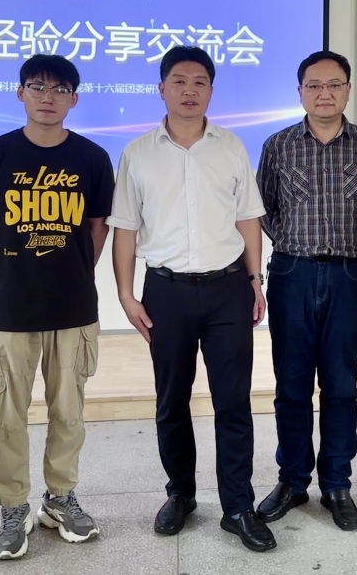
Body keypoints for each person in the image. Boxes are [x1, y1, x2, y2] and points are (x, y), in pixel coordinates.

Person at [108, 46, 276, 553]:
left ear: (211, 90)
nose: (189, 90)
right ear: (161, 89)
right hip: (166, 292)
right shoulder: (138, 153)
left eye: (200, 82)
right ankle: (180, 494)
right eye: (179, 81)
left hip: (228, 289)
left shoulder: (231, 147)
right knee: (171, 400)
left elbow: (248, 219)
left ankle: (238, 506)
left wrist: (255, 281)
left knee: (233, 402)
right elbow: (125, 229)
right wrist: (125, 294)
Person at [0, 54, 114, 560]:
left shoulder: (92, 158)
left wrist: (70, 273)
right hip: (8, 309)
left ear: (74, 98)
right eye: (37, 87)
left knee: (69, 413)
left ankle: (59, 498)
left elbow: (97, 230)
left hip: (73, 307)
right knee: (8, 415)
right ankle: (13, 508)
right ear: (20, 93)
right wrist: (10, 278)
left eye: (59, 89)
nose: (48, 98)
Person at [254, 50, 357, 531]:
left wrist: (354, 250)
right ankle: (292, 481)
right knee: (291, 385)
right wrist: (297, 248)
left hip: (349, 276)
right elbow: (263, 209)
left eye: (334, 84)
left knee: (341, 384)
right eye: (313, 85)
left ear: (348, 90)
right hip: (292, 273)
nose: (324, 93)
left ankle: (336, 484)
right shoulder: (278, 146)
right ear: (300, 92)